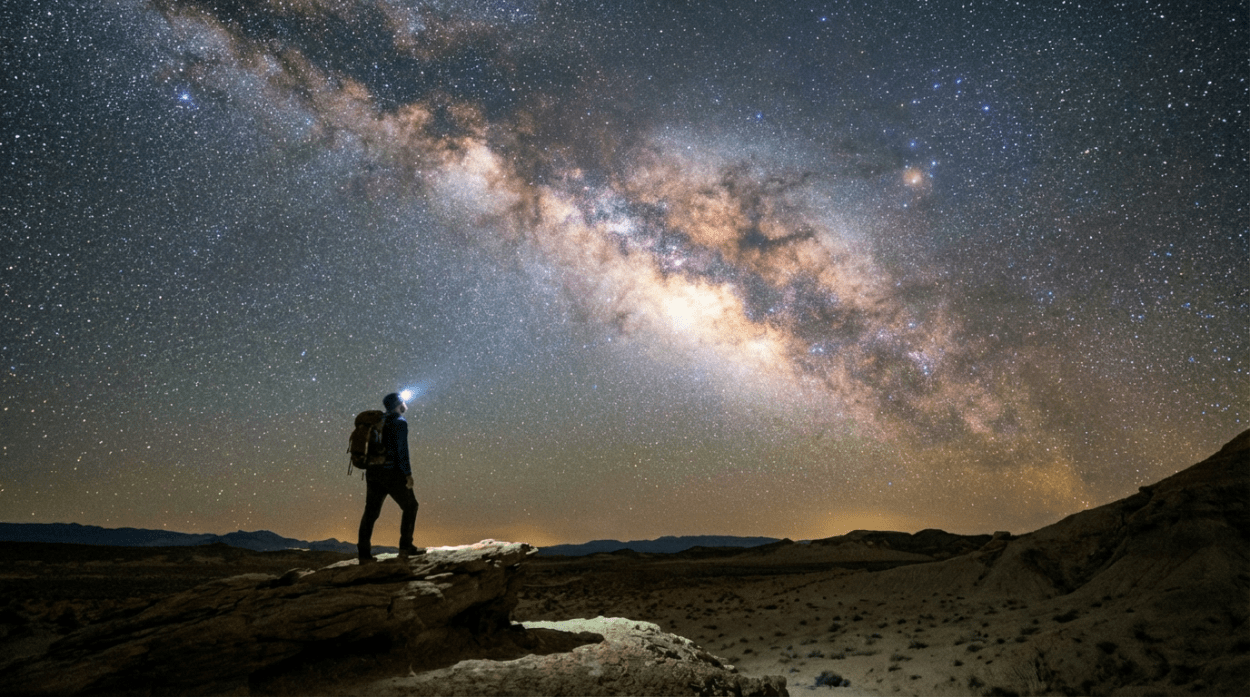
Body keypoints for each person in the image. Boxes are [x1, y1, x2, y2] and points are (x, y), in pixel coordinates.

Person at [357, 392, 422, 563]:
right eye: (403, 402)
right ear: (399, 404)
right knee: (411, 506)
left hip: (372, 472)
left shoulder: (378, 421)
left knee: (370, 512)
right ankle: (405, 548)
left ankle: (363, 555)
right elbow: (402, 451)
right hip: (391, 472)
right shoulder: (399, 422)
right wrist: (407, 475)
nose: (405, 404)